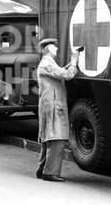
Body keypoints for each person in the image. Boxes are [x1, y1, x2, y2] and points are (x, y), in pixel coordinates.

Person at [36, 38, 80, 182]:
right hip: (53, 105)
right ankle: (50, 172)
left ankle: (42, 169)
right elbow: (66, 75)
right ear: (48, 49)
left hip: (50, 104)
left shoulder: (48, 63)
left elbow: (60, 71)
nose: (56, 49)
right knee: (57, 138)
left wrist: (68, 65)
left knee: (48, 138)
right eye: (54, 47)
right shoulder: (47, 63)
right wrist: (74, 60)